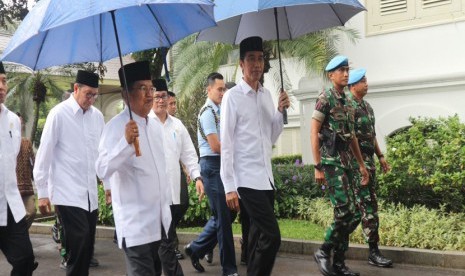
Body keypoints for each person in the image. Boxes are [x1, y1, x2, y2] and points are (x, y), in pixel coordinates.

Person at [220, 36, 290, 276]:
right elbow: (226, 143)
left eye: (260, 59)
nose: (257, 64)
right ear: (241, 64)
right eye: (251, 59)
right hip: (246, 178)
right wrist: (229, 185)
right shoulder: (232, 97)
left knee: (257, 238)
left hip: (266, 178)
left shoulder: (266, 95)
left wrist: (280, 112)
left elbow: (269, 137)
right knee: (272, 236)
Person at [96, 61, 173, 276]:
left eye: (151, 88)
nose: (149, 94)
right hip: (136, 224)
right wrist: (125, 143)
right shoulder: (115, 128)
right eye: (142, 88)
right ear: (125, 94)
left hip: (158, 221)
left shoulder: (155, 125)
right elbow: (102, 169)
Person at [34, 70, 104, 276]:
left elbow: (102, 154)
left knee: (88, 247)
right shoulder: (58, 114)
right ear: (76, 89)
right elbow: (44, 154)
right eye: (88, 94)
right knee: (79, 242)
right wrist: (43, 191)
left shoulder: (97, 117)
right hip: (67, 193)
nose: (91, 99)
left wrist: (107, 185)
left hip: (90, 194)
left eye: (95, 95)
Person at [310, 55, 369, 276]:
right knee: (344, 212)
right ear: (330, 75)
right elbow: (314, 132)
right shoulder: (325, 99)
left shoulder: (348, 102)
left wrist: (361, 165)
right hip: (331, 162)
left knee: (353, 215)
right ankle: (324, 251)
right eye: (340, 70)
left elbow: (352, 136)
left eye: (347, 70)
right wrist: (317, 166)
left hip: (348, 164)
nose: (345, 74)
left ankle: (339, 263)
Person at [184, 72, 238, 276]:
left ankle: (195, 248)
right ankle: (229, 270)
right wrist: (237, 151)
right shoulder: (207, 112)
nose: (223, 93)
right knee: (223, 218)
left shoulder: (221, 110)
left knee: (228, 213)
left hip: (221, 164)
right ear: (209, 90)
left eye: (224, 89)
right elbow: (215, 145)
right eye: (220, 89)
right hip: (211, 165)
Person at [150, 78, 205, 275]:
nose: (161, 101)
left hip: (173, 194)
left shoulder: (177, 125)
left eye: (163, 96)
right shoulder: (144, 123)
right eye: (156, 96)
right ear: (150, 97)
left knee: (161, 244)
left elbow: (189, 154)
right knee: (166, 242)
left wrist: (197, 177)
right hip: (153, 197)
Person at [347, 68, 393, 268]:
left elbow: (372, 136)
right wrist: (360, 165)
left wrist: (380, 156)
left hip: (370, 164)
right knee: (366, 208)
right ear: (352, 86)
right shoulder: (349, 107)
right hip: (358, 166)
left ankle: (332, 243)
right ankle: (372, 252)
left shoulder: (367, 107)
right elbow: (351, 138)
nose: (366, 83)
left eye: (366, 80)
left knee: (367, 207)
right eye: (362, 81)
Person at [0, 61, 37, 276]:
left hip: (11, 204)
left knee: (25, 260)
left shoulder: (13, 120)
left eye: (4, 81)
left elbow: (12, 157)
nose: (2, 86)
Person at [15, 112, 37, 229]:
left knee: (32, 212)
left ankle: (19, 235)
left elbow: (33, 162)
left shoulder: (26, 142)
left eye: (21, 123)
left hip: (27, 188)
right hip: (11, 189)